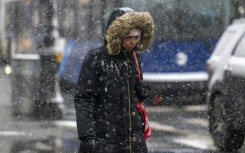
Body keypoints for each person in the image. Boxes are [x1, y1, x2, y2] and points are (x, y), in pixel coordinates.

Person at [74, 7, 154, 153]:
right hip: (105, 141)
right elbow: (84, 98)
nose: (133, 42)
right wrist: (87, 136)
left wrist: (143, 91)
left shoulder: (134, 58)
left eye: (137, 37)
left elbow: (134, 94)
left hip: (133, 141)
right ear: (117, 35)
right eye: (129, 37)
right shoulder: (96, 58)